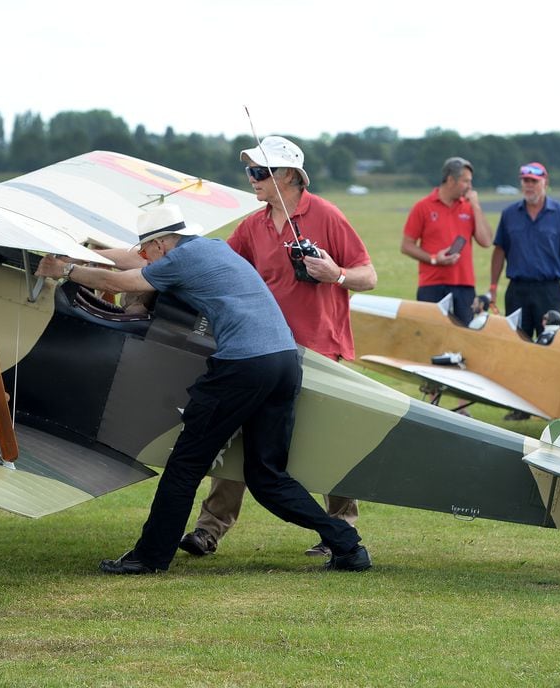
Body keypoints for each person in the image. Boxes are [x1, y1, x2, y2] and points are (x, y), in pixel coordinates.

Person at [35, 204, 371, 575]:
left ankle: (150, 557)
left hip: (242, 366)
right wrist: (87, 255)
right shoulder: (209, 248)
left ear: (162, 245)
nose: (144, 258)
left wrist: (63, 269)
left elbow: (121, 282)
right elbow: (129, 260)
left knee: (186, 464)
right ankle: (347, 545)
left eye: (147, 251)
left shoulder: (182, 259)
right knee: (266, 477)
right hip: (284, 363)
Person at [180, 135, 377, 560]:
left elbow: (369, 276)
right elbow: (223, 269)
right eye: (251, 171)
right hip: (265, 351)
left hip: (322, 349)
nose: (252, 179)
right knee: (235, 435)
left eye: (260, 172)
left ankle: (340, 529)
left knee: (331, 440)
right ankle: (209, 530)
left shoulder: (326, 214)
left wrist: (335, 274)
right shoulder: (253, 225)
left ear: (288, 176)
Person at [489, 162, 560, 420]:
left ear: (545, 182)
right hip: (517, 289)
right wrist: (493, 287)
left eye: (534, 181)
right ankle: (520, 406)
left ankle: (553, 405)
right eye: (525, 181)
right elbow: (499, 252)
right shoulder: (510, 214)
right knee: (518, 347)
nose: (529, 186)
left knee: (553, 347)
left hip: (549, 290)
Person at [401, 157, 492, 325]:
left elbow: (486, 241)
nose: (470, 186)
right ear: (451, 180)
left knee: (464, 337)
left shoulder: (469, 207)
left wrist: (476, 207)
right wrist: (435, 259)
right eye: (466, 181)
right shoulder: (423, 207)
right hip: (432, 284)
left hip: (464, 285)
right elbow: (406, 246)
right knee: (430, 335)